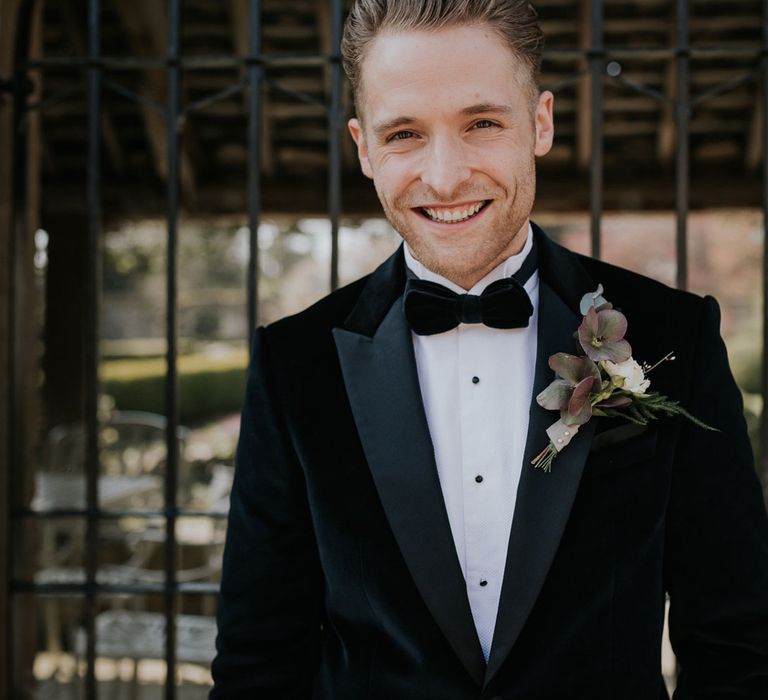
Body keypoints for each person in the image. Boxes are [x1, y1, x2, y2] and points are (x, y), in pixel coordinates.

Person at [210, 1, 768, 698]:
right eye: (405, 134)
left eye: (481, 123)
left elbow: (737, 645)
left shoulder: (671, 335)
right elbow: (258, 663)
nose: (444, 177)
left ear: (540, 123)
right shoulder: (296, 363)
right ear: (362, 147)